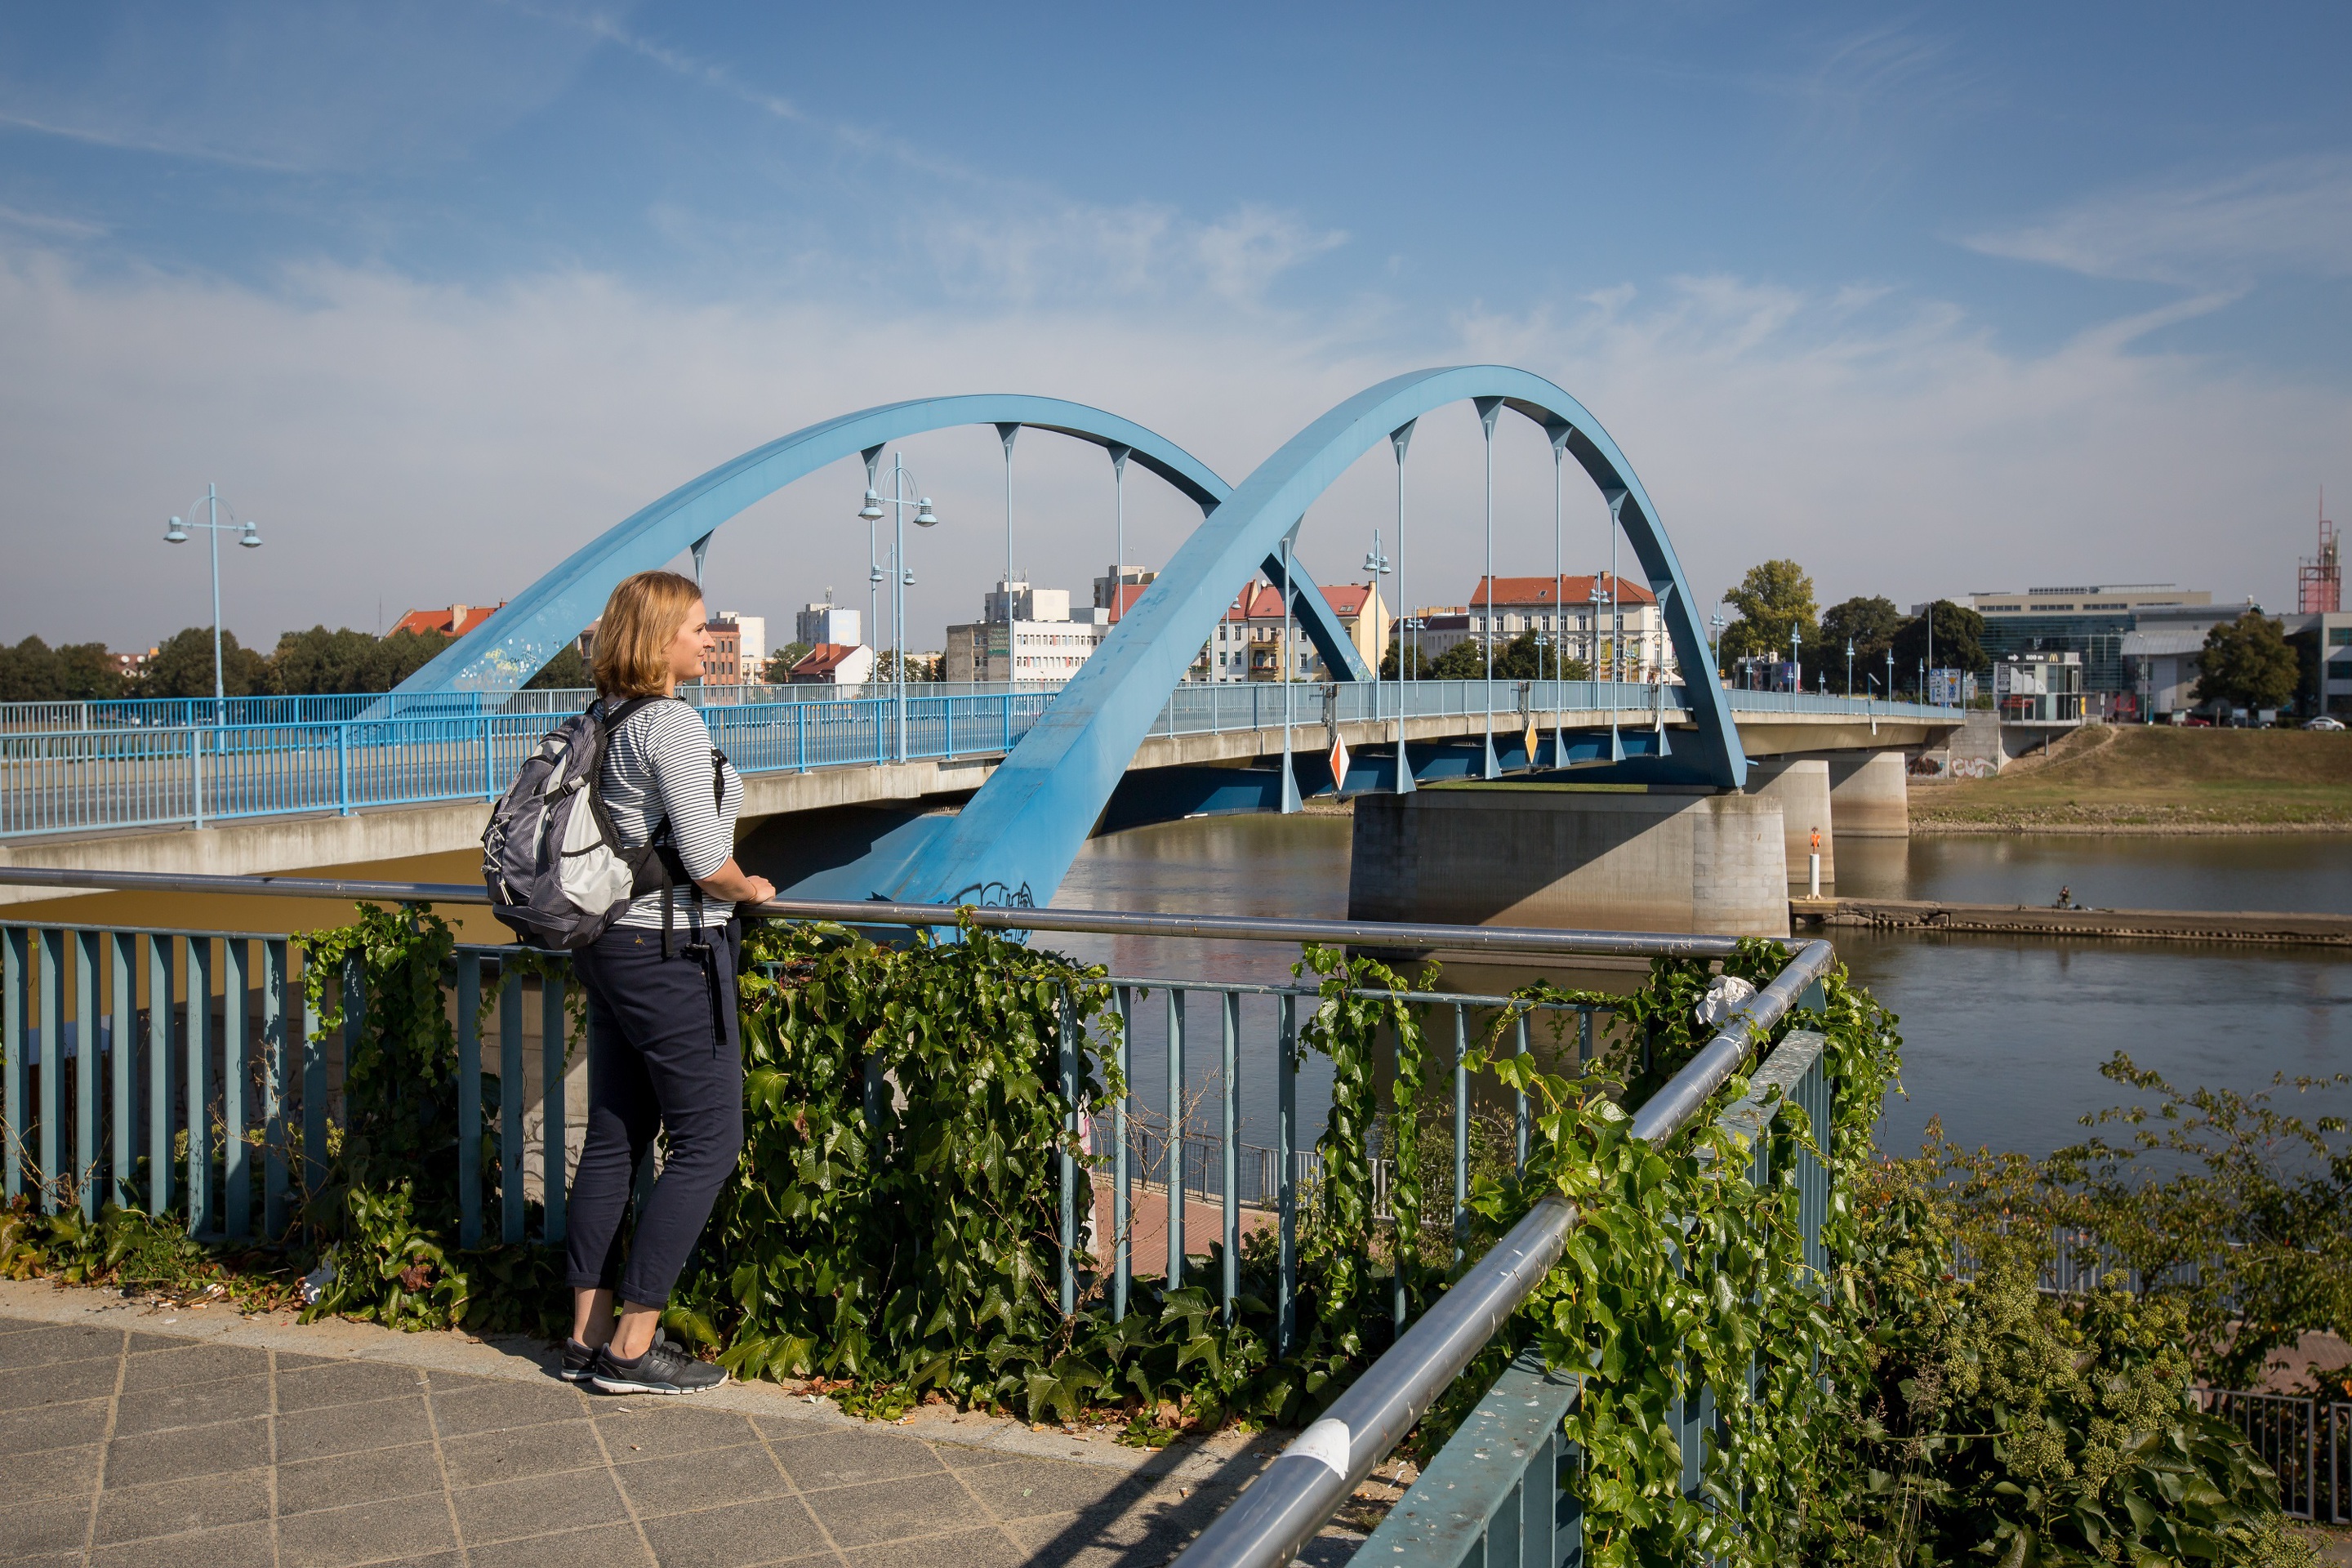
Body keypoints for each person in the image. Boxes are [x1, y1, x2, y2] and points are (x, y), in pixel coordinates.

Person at [560, 570, 775, 1396]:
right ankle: (632, 1345)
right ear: (658, 640)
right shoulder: (673, 726)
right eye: (695, 626)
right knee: (709, 1143)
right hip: (670, 953)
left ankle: (585, 1331)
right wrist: (749, 886)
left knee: (616, 1135)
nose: (708, 638)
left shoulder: (602, 719)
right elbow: (703, 858)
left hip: (610, 945)